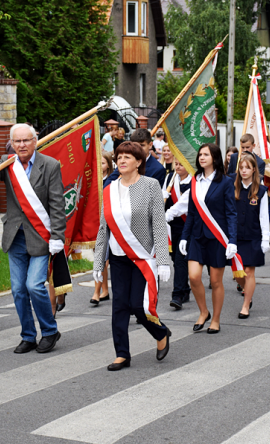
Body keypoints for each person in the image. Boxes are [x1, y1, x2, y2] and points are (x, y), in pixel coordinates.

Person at [0, 124, 66, 354]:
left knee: (35, 286)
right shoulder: (9, 163)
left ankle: (49, 331)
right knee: (18, 289)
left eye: (26, 140)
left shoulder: (49, 165)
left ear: (35, 141)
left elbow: (58, 205)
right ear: (12, 143)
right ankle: (28, 335)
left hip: (40, 236)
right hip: (15, 237)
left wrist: (58, 236)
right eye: (17, 141)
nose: (21, 145)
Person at [92, 141, 172, 371]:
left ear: (139, 162)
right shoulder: (108, 189)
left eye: (128, 157)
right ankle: (122, 354)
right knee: (120, 306)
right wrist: (98, 261)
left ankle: (161, 332)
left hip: (143, 257)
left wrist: (163, 261)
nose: (122, 160)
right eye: (119, 157)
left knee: (139, 306)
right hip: (118, 256)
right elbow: (102, 229)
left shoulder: (150, 185)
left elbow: (158, 223)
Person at [179, 143, 237, 334]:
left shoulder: (226, 182)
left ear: (215, 157)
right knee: (194, 277)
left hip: (217, 237)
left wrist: (232, 240)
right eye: (200, 154)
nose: (202, 157)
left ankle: (216, 319)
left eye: (206, 154)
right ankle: (204, 312)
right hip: (197, 236)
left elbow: (231, 213)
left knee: (215, 281)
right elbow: (192, 212)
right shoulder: (195, 181)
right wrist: (184, 237)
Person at [233, 152, 269, 318]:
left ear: (254, 169)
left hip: (254, 236)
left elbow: (263, 216)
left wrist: (266, 238)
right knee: (237, 273)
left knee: (249, 271)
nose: (244, 171)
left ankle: (245, 305)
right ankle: (248, 291)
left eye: (247, 168)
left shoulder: (260, 191)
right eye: (241, 168)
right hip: (236, 237)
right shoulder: (233, 188)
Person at [164, 160, 192, 309]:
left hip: (186, 225)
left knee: (181, 259)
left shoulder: (193, 181)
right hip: (172, 226)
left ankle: (177, 295)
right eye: (176, 163)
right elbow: (163, 197)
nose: (178, 166)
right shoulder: (170, 179)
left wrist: (165, 216)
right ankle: (185, 289)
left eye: (182, 163)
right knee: (175, 258)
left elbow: (182, 206)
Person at [91, 153, 114, 306]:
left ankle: (96, 293)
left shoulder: (111, 181)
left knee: (103, 258)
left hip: (109, 222)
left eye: (103, 163)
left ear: (109, 165)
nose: (100, 166)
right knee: (100, 256)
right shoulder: (92, 181)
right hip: (95, 222)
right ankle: (105, 290)